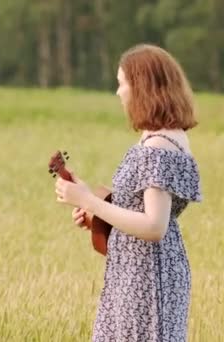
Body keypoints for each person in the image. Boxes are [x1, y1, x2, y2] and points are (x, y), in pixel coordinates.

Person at [54, 44, 201, 341]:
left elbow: (153, 225)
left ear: (143, 88)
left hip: (146, 279)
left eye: (122, 84)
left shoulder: (156, 148)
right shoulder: (168, 138)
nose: (118, 93)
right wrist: (99, 214)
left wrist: (88, 199)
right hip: (144, 271)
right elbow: (145, 208)